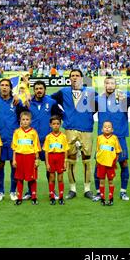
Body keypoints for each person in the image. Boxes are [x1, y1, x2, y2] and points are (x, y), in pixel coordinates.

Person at [51, 69, 97, 200]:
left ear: (82, 78)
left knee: (87, 161)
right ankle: (72, 189)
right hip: (70, 129)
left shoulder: (91, 92)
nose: (75, 78)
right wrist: (63, 115)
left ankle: (87, 189)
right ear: (69, 78)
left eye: (77, 76)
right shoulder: (64, 91)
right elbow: (50, 101)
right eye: (72, 76)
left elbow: (99, 105)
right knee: (71, 160)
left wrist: (87, 115)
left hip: (86, 129)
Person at [0, 78, 27, 202]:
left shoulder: (16, 102)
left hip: (14, 139)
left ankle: (13, 191)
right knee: (0, 165)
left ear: (10, 88)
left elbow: (25, 113)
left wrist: (19, 95)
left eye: (6, 85)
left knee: (14, 165)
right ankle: (0, 191)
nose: (4, 87)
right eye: (2, 85)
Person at [93, 76, 130, 201]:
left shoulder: (124, 97)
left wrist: (126, 97)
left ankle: (123, 191)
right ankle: (99, 192)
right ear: (104, 85)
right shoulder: (98, 99)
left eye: (112, 83)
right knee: (99, 164)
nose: (110, 85)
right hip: (103, 138)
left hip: (120, 136)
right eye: (107, 83)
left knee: (124, 163)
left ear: (116, 85)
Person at [23, 80, 59, 200]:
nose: (39, 90)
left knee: (50, 168)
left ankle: (52, 191)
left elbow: (57, 118)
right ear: (34, 90)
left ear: (45, 90)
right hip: (32, 142)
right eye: (37, 88)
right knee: (32, 168)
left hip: (48, 141)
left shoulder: (51, 102)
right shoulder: (27, 103)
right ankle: (30, 191)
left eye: (41, 88)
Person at [11, 111, 41, 205]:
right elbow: (14, 147)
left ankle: (34, 197)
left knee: (32, 178)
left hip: (30, 157)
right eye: (23, 119)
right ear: (20, 120)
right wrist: (14, 159)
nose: (25, 121)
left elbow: (36, 147)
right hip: (19, 157)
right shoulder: (17, 132)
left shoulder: (33, 132)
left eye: (27, 119)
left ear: (30, 121)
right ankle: (19, 197)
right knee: (19, 178)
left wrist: (37, 159)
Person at [43, 115, 69, 205]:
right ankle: (52, 196)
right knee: (52, 178)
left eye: (58, 124)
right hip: (51, 158)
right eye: (54, 124)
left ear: (60, 125)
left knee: (60, 178)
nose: (56, 126)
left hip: (60, 158)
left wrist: (65, 162)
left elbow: (65, 150)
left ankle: (61, 197)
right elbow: (46, 151)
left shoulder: (63, 137)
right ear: (50, 125)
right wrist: (47, 163)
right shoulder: (48, 137)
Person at [95, 121, 122, 206]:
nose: (107, 128)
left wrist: (115, 162)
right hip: (101, 163)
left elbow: (118, 151)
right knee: (102, 181)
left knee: (110, 181)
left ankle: (110, 198)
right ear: (102, 129)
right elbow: (98, 151)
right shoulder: (99, 138)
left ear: (112, 129)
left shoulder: (114, 138)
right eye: (105, 127)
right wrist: (97, 161)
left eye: (109, 127)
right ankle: (102, 198)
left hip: (110, 164)